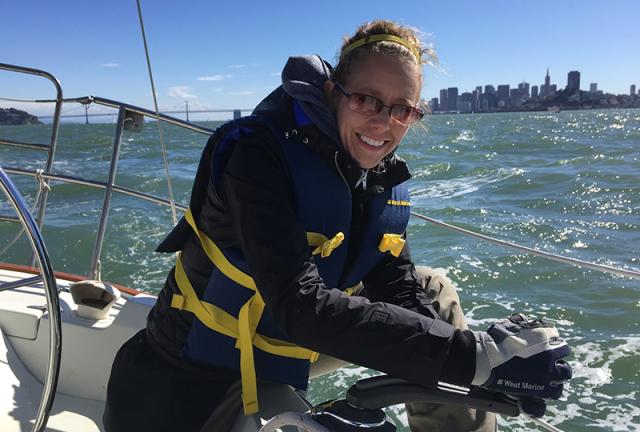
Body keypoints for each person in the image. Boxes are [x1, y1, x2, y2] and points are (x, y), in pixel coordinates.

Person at [103, 20, 572, 432]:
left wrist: (477, 373)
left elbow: (397, 286)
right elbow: (298, 305)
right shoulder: (255, 156)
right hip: (199, 370)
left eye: (402, 109)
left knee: (435, 291)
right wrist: (472, 358)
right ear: (334, 93)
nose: (383, 122)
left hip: (292, 345)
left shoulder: (380, 178)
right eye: (368, 99)